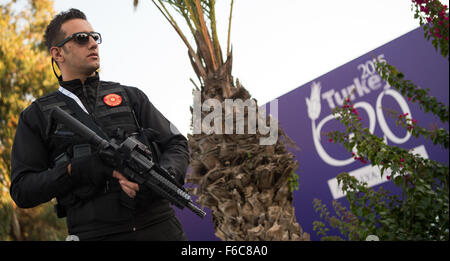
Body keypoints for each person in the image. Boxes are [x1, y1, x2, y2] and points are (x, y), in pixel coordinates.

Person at [10, 8, 190, 241]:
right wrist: (74, 171)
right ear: (58, 53)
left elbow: (176, 144)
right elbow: (23, 190)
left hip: (160, 226)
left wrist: (161, 175)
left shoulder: (130, 96)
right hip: (95, 233)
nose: (93, 44)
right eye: (82, 38)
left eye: (95, 37)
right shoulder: (37, 115)